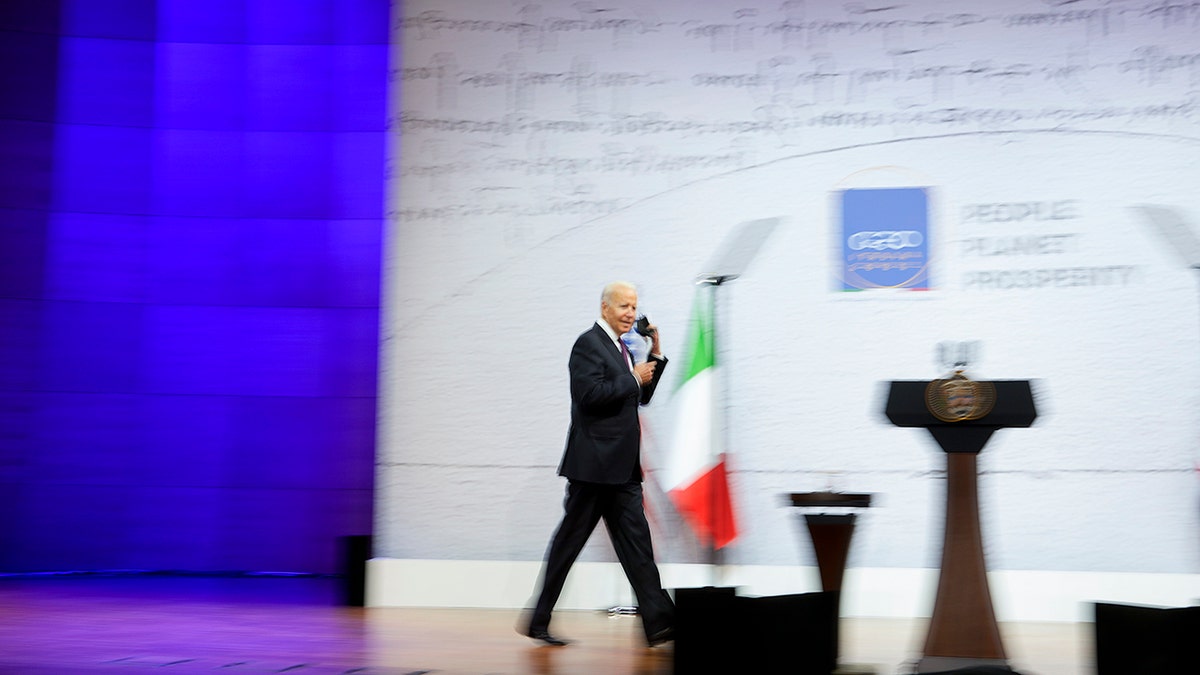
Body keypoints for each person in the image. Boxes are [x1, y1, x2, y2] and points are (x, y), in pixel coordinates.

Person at [522, 281, 676, 648]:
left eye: (634, 306)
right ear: (605, 307)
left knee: (638, 547)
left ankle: (660, 623)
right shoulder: (588, 344)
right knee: (568, 545)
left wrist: (654, 355)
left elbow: (640, 396)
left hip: (621, 470)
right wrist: (631, 377)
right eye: (624, 306)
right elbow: (589, 396)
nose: (630, 313)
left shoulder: (623, 348)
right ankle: (538, 619)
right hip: (592, 469)